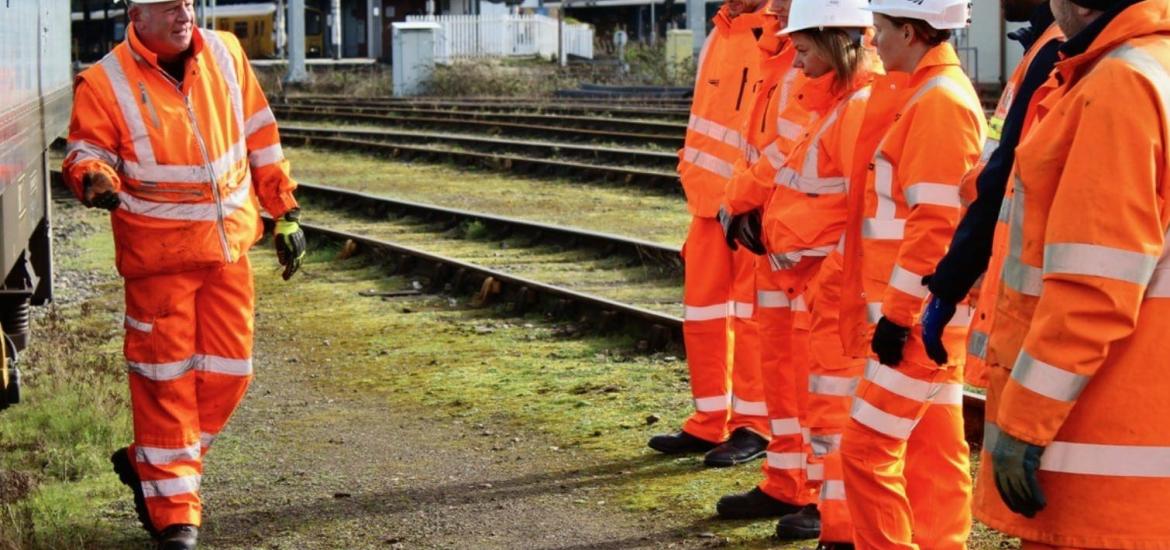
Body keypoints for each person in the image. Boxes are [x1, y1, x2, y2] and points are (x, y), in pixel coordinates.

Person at [61, 1, 303, 548]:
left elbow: (260, 138)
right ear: (137, 15)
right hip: (159, 263)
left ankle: (144, 463)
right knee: (164, 386)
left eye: (188, 3)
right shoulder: (104, 83)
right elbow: (84, 152)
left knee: (229, 373)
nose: (184, 15)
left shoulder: (226, 53)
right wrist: (94, 177)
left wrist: (284, 211)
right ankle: (176, 518)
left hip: (227, 253)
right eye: (170, 7)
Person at [976, 0, 1170, 547]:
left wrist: (1023, 423)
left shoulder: (1118, 84)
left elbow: (1093, 285)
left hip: (1102, 448)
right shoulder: (1152, 69)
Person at [714, 3, 877, 545]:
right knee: (783, 374)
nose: (772, 9)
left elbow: (822, 177)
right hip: (788, 260)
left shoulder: (846, 98)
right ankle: (788, 480)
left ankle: (823, 501)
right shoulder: (797, 74)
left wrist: (742, 201)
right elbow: (775, 154)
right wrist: (746, 205)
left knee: (824, 393)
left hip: (819, 269)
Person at [836, 0, 986, 547]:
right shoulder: (929, 95)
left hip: (922, 320)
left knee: (865, 449)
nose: (872, 41)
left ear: (910, 30)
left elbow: (937, 225)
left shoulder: (938, 103)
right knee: (934, 449)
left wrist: (898, 319)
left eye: (879, 30)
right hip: (929, 316)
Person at [649, 0, 772, 467]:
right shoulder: (720, 34)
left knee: (751, 318)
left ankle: (752, 425)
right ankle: (709, 419)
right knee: (702, 316)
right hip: (706, 203)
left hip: (749, 208)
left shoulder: (775, 34)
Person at [918, 0, 1063, 386]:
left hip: (1037, 286)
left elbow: (1004, 176)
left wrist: (950, 282)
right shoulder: (1043, 46)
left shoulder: (1053, 50)